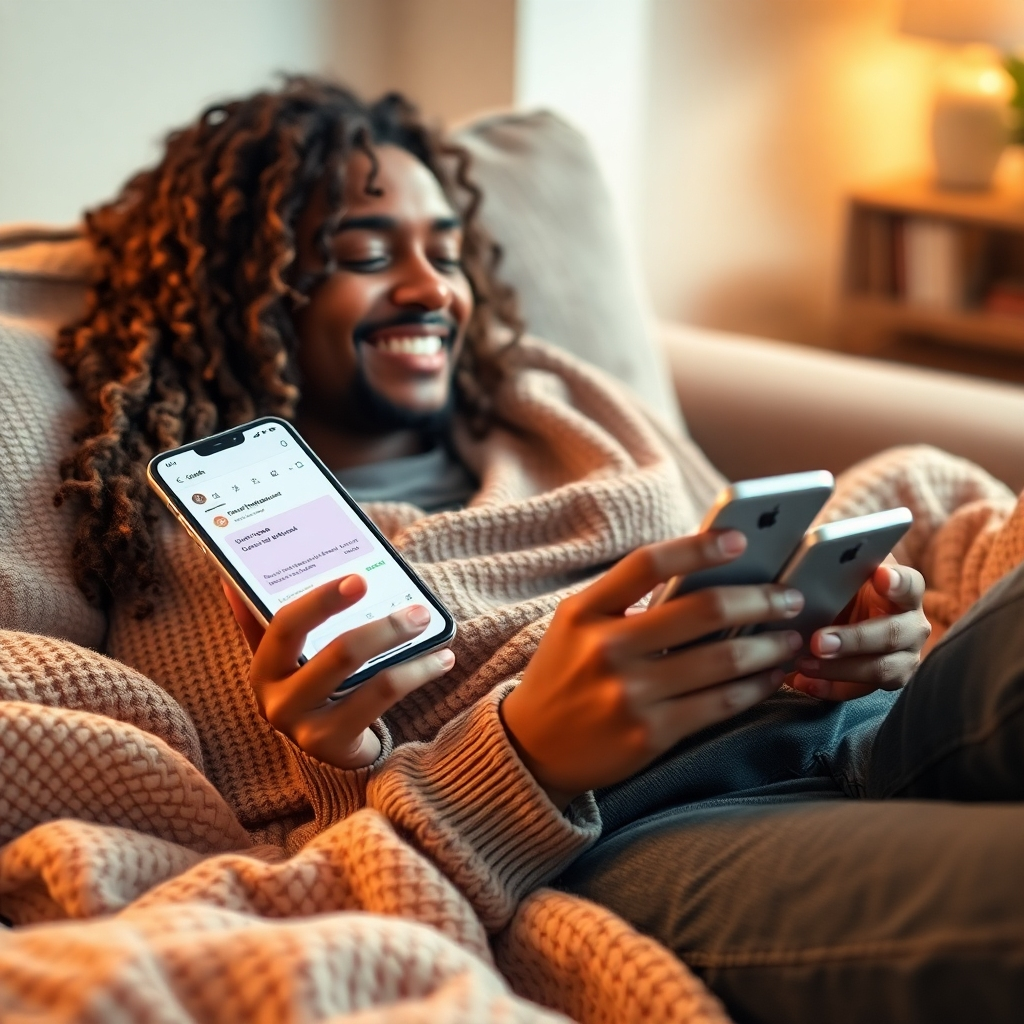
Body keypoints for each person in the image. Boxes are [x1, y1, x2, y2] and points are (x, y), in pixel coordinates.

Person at [32, 78, 1024, 1021]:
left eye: (447, 251)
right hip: (641, 841)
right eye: (369, 254)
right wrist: (512, 756)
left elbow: (723, 534)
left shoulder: (559, 406)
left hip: (860, 720)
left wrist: (851, 621)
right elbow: (311, 882)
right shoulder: (208, 551)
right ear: (247, 286)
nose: (433, 290)